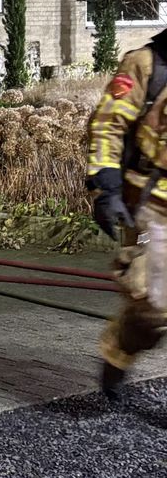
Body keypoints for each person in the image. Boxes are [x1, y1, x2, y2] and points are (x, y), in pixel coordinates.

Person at [86, 29, 167, 401]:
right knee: (153, 306)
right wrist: (106, 187)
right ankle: (120, 348)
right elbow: (108, 125)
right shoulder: (146, 65)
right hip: (152, 204)